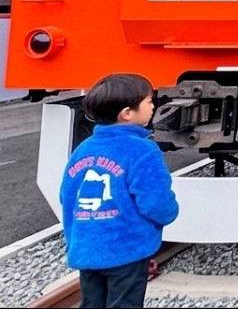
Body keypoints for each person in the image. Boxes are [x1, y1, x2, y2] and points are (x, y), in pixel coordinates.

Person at [59, 72, 180, 309]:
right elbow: (155, 202)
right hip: (127, 250)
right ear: (127, 113)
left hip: (87, 249)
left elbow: (66, 195)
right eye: (149, 102)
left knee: (92, 304)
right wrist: (170, 213)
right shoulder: (143, 150)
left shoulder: (83, 149)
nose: (153, 106)